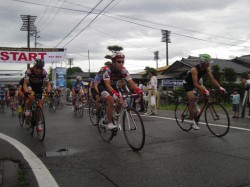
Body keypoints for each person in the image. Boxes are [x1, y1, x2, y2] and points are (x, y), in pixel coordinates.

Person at [98, 51, 142, 130]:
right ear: (113, 62)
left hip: (114, 86)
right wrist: (114, 93)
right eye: (119, 62)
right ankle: (110, 123)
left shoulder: (123, 70)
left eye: (122, 62)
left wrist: (138, 90)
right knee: (110, 100)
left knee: (121, 101)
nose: (121, 64)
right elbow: (107, 85)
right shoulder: (107, 69)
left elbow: (131, 82)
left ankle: (115, 119)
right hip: (103, 86)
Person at [183, 54, 225, 130]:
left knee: (207, 94)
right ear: (202, 62)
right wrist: (204, 90)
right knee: (192, 99)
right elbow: (195, 84)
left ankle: (196, 105)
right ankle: (192, 121)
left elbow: (212, 79)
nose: (209, 64)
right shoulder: (194, 69)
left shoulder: (207, 68)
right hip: (188, 83)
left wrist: (220, 87)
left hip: (196, 82)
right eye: (207, 62)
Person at [23, 59, 51, 132]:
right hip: (30, 86)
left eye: (40, 68)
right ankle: (28, 109)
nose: (38, 70)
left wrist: (48, 90)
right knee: (31, 96)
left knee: (40, 105)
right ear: (34, 66)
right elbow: (25, 83)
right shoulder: (29, 71)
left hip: (39, 87)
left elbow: (48, 84)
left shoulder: (44, 72)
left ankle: (39, 123)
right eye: (37, 68)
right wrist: (26, 92)